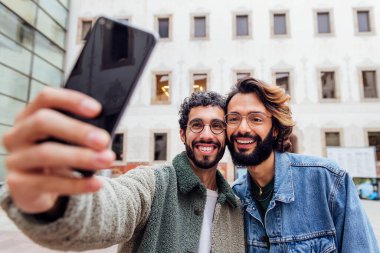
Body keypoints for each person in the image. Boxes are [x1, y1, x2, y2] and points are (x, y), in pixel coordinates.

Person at [0, 88, 244, 252]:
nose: (206, 135)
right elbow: (113, 206)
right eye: (196, 125)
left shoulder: (236, 207)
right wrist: (55, 200)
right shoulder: (152, 183)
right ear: (183, 134)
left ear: (227, 135)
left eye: (217, 126)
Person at [225, 77, 380, 252]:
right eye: (233, 119)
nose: (242, 128)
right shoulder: (234, 197)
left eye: (256, 119)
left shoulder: (328, 181)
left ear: (275, 129)